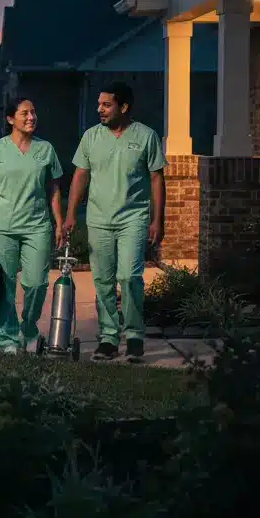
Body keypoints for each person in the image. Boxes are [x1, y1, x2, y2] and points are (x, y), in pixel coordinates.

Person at [63, 81, 166, 363]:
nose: (100, 109)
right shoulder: (91, 137)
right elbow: (80, 176)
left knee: (130, 277)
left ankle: (134, 337)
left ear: (124, 107)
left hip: (134, 218)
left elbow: (157, 178)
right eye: (99, 104)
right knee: (103, 280)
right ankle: (108, 338)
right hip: (98, 219)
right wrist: (71, 214)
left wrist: (158, 219)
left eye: (106, 105)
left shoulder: (146, 136)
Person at [0, 97, 65, 353]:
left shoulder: (45, 149)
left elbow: (54, 189)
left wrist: (59, 222)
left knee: (36, 283)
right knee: (4, 286)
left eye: (34, 112)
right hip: (1, 227)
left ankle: (29, 328)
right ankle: (9, 339)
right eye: (25, 113)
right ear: (10, 119)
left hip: (37, 225)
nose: (31, 117)